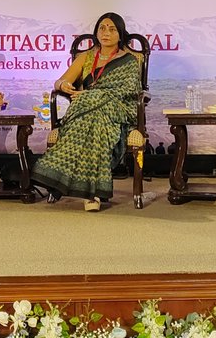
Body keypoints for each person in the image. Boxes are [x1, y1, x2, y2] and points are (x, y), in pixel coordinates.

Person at [32, 12, 142, 212]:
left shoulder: (130, 60)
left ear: (120, 34)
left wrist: (89, 96)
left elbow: (127, 91)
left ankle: (66, 184)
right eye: (102, 28)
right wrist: (65, 85)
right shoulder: (86, 57)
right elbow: (60, 81)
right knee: (94, 121)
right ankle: (93, 193)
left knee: (97, 115)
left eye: (111, 29)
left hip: (116, 111)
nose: (106, 33)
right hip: (87, 112)